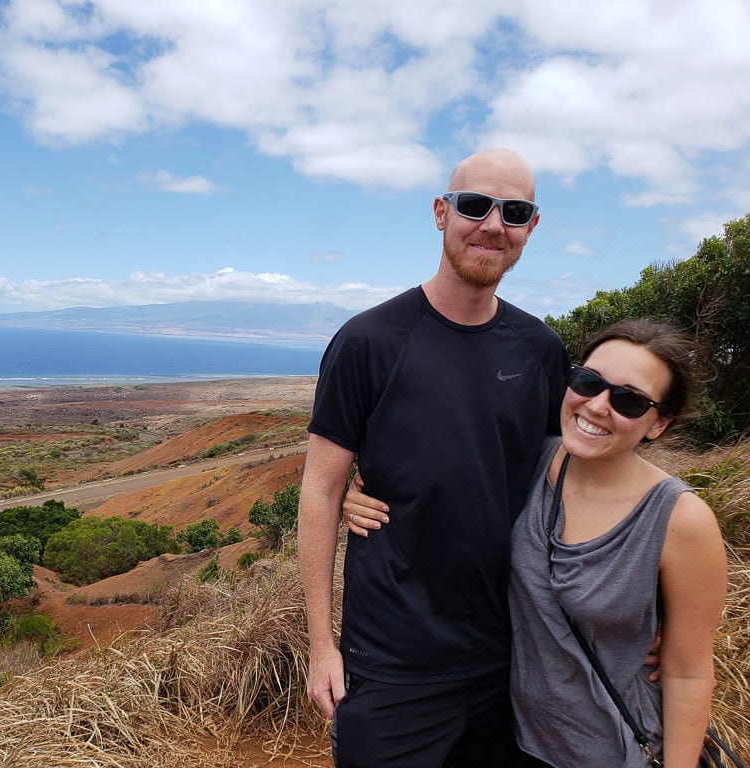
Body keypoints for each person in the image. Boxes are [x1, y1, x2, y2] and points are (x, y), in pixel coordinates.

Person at [343, 318, 728, 767]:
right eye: (588, 381)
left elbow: (688, 672)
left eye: (629, 400)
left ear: (658, 424)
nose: (599, 405)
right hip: (519, 742)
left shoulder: (681, 519)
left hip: (620, 751)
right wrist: (362, 495)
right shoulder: (531, 460)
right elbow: (441, 491)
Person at [298, 147, 570, 767]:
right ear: (442, 213)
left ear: (531, 226)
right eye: (476, 206)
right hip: (393, 659)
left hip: (512, 656)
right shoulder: (368, 342)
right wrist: (321, 645)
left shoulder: (541, 349)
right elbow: (318, 491)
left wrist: (643, 607)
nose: (493, 224)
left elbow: (579, 483)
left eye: (515, 211)